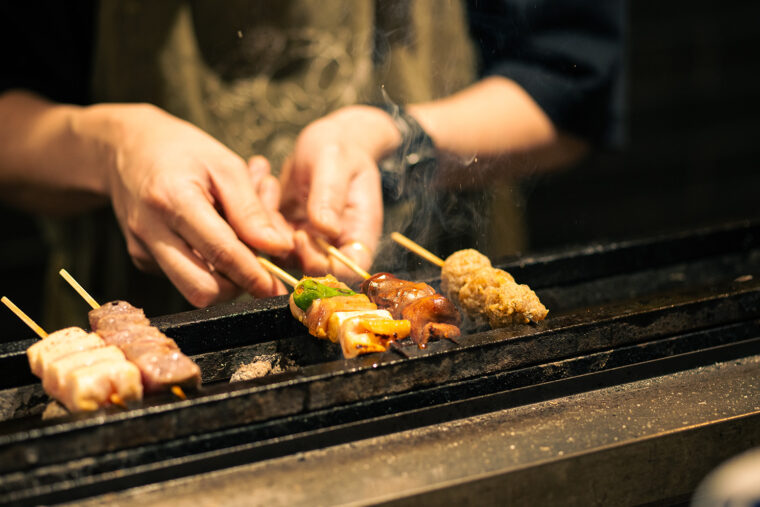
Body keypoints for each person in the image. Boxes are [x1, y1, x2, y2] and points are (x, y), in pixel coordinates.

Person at [0, 1, 621, 328]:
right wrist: (109, 145)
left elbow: (573, 85)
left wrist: (401, 139)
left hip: (452, 360)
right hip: (141, 322)